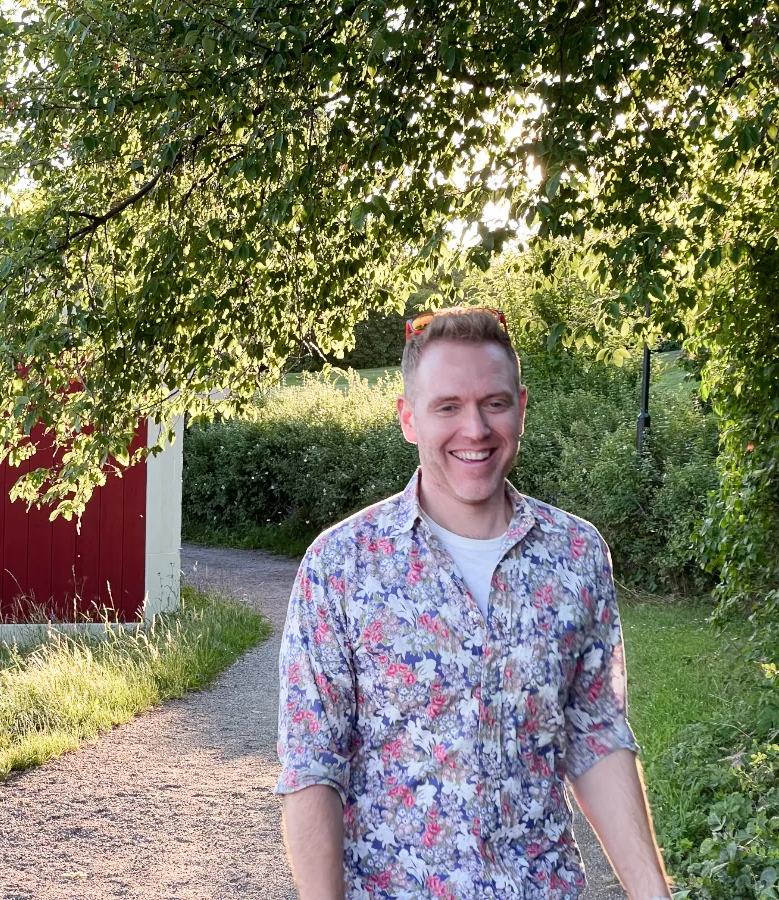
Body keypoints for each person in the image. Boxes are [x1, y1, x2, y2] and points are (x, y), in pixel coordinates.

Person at [275, 307, 673, 900]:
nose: (476, 429)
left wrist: (653, 893)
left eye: (494, 402)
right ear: (408, 418)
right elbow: (313, 768)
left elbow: (596, 737)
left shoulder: (576, 554)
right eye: (447, 407)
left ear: (521, 407)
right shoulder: (340, 566)